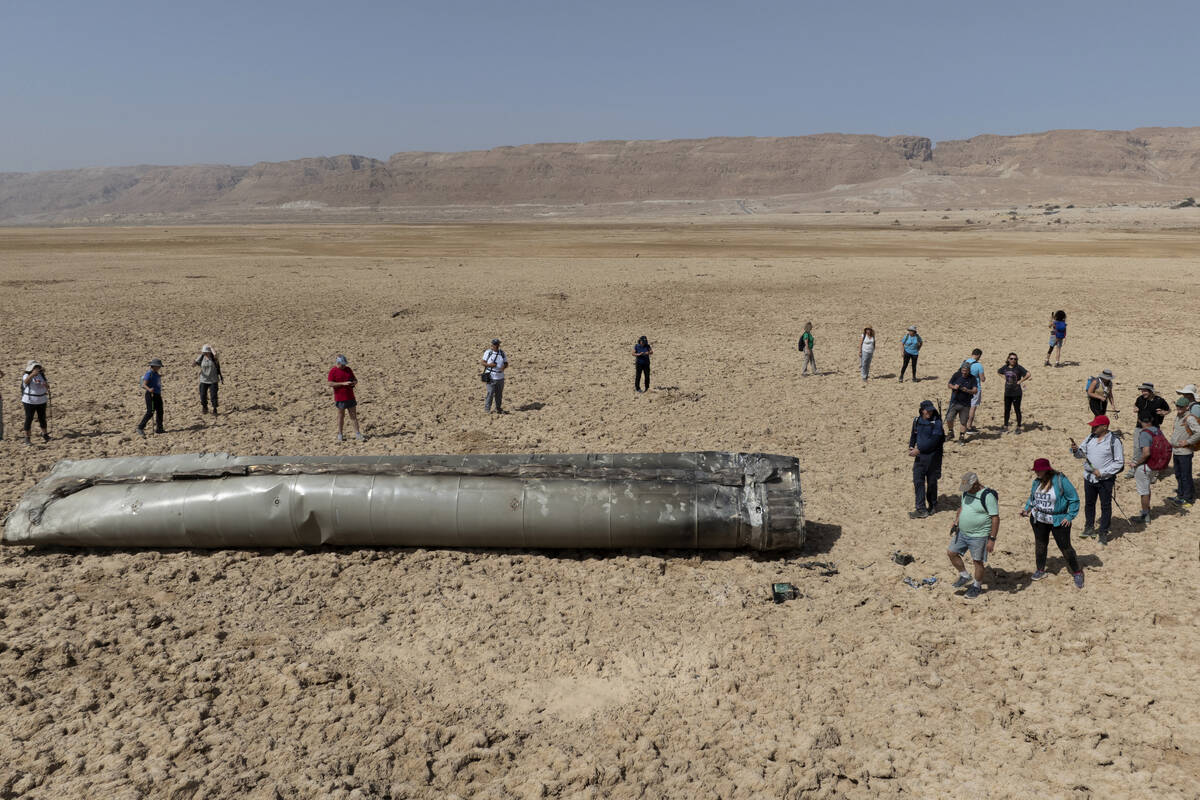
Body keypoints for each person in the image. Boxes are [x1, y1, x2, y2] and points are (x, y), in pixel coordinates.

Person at [1020, 458, 1084, 588]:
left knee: (1065, 547)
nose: (1036, 472)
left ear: (1046, 469)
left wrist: (1070, 516)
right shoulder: (1036, 482)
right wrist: (1027, 509)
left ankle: (1077, 572)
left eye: (1039, 470)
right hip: (1039, 519)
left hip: (1059, 520)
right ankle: (1040, 570)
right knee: (1040, 545)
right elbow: (1032, 498)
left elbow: (1074, 499)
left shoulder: (1061, 480)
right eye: (1035, 470)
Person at [1069, 415, 1125, 544]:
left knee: (1105, 506)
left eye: (1096, 426)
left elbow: (1119, 462)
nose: (1093, 428)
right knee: (1089, 503)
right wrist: (1075, 450)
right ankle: (1089, 527)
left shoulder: (1114, 441)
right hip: (1089, 478)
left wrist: (1103, 472)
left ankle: (1103, 532)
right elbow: (1080, 455)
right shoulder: (1090, 438)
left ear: (1104, 427)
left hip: (1105, 480)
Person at [948, 472, 999, 599]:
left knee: (977, 561)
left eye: (969, 487)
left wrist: (992, 539)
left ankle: (977, 586)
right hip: (962, 532)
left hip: (979, 535)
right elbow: (962, 508)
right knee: (951, 553)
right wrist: (956, 521)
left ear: (976, 484)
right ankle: (965, 575)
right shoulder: (966, 492)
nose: (966, 490)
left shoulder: (987, 496)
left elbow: (995, 518)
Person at [1127, 411, 1169, 524]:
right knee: (1147, 488)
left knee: (1143, 491)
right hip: (1156, 465)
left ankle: (1145, 515)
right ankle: (1147, 510)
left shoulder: (1144, 433)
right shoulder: (1157, 430)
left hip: (1146, 466)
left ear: (1139, 420)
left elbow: (1146, 453)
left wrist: (1136, 464)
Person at [908, 399, 945, 518]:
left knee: (932, 482)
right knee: (918, 481)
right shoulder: (917, 420)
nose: (929, 412)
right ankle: (921, 509)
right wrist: (911, 446)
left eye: (931, 410)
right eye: (927, 410)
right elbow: (914, 434)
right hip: (920, 458)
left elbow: (934, 441)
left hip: (932, 458)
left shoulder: (937, 423)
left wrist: (919, 450)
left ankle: (933, 505)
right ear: (922, 410)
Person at [1167, 396, 1200, 508]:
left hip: (1185, 452)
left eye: (1181, 406)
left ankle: (1188, 499)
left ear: (1186, 407)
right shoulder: (1179, 416)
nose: (1178, 408)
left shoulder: (1189, 418)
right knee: (1178, 474)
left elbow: (1199, 432)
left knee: (1185, 475)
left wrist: (1188, 441)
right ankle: (1180, 495)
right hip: (1176, 451)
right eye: (1177, 405)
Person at [327, 354, 364, 441]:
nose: (344, 366)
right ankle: (340, 434)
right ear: (338, 363)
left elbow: (355, 379)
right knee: (341, 416)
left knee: (353, 416)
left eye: (344, 364)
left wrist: (353, 382)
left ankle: (357, 434)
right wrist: (342, 383)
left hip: (350, 396)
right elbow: (330, 383)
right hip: (340, 398)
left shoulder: (348, 369)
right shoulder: (333, 371)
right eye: (342, 364)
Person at [997, 353, 1030, 432]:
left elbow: (1028, 374)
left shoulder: (1018, 368)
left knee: (1017, 410)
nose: (1013, 360)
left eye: (1015, 359)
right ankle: (1005, 426)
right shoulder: (1005, 367)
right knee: (1007, 409)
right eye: (1011, 358)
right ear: (1008, 359)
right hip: (1007, 392)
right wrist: (1005, 378)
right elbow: (998, 372)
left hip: (1016, 392)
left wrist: (1021, 381)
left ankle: (1018, 427)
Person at [945, 362, 978, 441]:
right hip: (955, 401)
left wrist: (967, 390)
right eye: (963, 370)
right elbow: (949, 384)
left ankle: (961, 436)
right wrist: (954, 387)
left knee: (963, 421)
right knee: (949, 418)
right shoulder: (956, 375)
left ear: (969, 370)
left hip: (966, 404)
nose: (964, 372)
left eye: (966, 371)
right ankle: (951, 432)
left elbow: (975, 390)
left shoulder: (972, 378)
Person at [21, 360, 51, 445]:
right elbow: (26, 382)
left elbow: (47, 386)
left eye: (37, 367)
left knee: (42, 418)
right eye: (35, 367)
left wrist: (46, 385)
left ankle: (45, 434)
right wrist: (32, 375)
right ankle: (27, 437)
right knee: (29, 418)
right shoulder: (26, 375)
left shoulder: (42, 375)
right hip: (29, 401)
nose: (37, 369)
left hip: (41, 400)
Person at [136, 358, 165, 437]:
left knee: (160, 411)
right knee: (150, 412)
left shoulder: (156, 373)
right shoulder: (149, 373)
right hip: (151, 395)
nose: (159, 368)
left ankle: (159, 428)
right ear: (154, 366)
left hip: (157, 394)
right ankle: (140, 427)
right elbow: (144, 384)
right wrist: (149, 389)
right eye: (158, 366)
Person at [194, 345, 223, 416]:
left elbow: (215, 354)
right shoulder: (201, 357)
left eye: (207, 352)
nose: (206, 353)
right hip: (203, 380)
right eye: (204, 352)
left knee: (213, 395)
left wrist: (211, 347)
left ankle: (214, 409)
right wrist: (197, 359)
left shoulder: (214, 358)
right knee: (202, 395)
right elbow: (193, 364)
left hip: (213, 380)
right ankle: (205, 407)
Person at [481, 338, 508, 413]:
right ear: (492, 345)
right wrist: (490, 365)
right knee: (490, 393)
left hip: (500, 377)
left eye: (497, 344)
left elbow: (506, 363)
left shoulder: (502, 353)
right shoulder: (488, 352)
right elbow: (483, 362)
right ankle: (487, 409)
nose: (496, 346)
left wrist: (504, 367)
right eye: (495, 344)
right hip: (491, 376)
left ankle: (498, 408)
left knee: (499, 394)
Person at [964, 348, 986, 431]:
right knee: (972, 408)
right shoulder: (979, 365)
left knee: (965, 407)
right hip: (975, 388)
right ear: (978, 355)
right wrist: (984, 378)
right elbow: (982, 379)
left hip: (965, 388)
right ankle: (969, 426)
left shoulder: (965, 362)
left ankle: (964, 424)